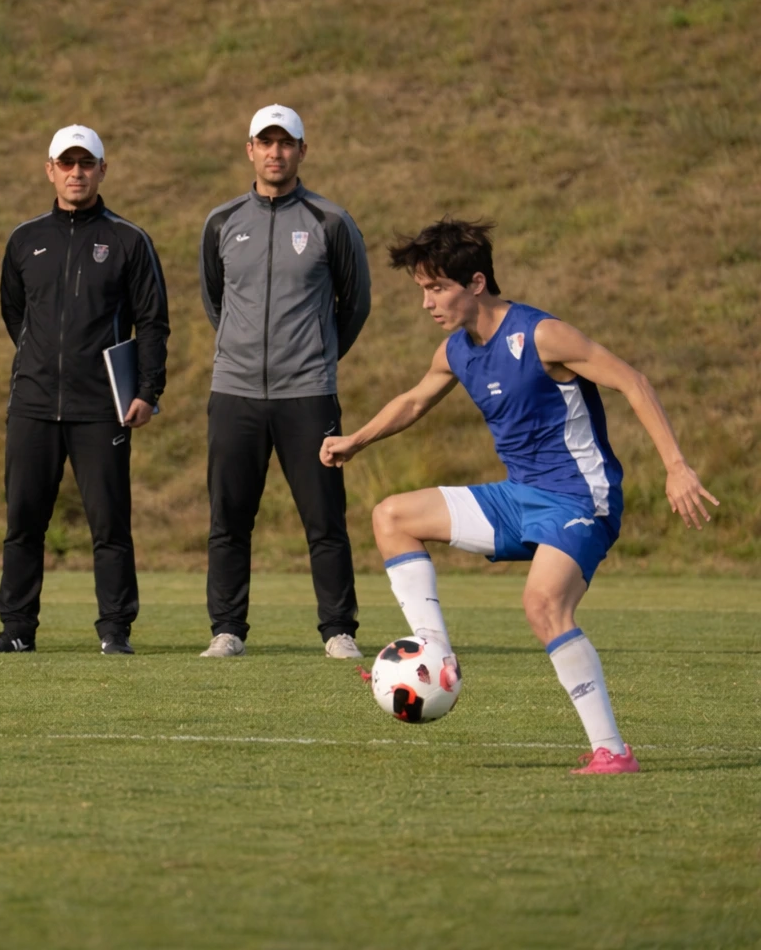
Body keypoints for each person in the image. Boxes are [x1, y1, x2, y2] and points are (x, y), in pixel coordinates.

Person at [321, 218, 717, 774]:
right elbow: (413, 402)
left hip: (581, 500)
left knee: (543, 605)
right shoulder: (456, 351)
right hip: (519, 497)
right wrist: (356, 441)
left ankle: (612, 751)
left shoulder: (541, 335)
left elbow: (633, 380)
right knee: (392, 516)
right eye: (423, 291)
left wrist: (676, 467)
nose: (428, 303)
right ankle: (436, 653)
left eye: (438, 289)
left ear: (476, 282)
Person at [0, 125, 170, 655]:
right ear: (49, 169)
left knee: (110, 525)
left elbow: (152, 323)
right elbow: (15, 314)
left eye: (85, 163)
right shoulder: (24, 239)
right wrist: (41, 363)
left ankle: (115, 630)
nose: (76, 172)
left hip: (101, 408)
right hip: (34, 404)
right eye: (66, 163)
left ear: (102, 170)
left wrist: (146, 390)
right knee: (23, 522)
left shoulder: (128, 240)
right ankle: (18, 628)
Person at [199, 103, 371, 659]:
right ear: (249, 149)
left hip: (308, 394)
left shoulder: (330, 221)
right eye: (265, 142)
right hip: (235, 393)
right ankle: (226, 630)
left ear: (303, 149)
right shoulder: (222, 222)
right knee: (229, 518)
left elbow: (355, 304)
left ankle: (338, 630)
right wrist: (242, 352)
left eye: (286, 142)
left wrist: (316, 358)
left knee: (324, 518)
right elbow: (215, 300)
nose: (276, 152)